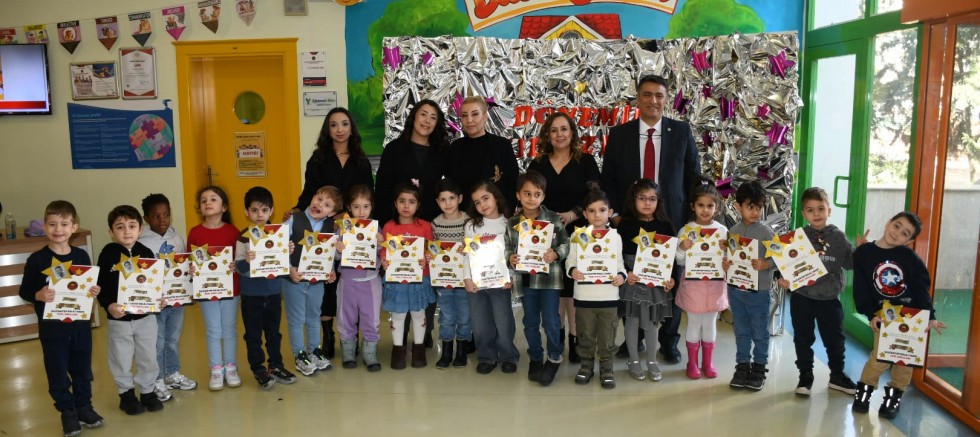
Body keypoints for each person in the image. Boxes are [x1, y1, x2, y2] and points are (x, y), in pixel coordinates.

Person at [602, 75, 701, 364]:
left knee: (670, 280)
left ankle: (669, 341)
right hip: (630, 222)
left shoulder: (681, 132)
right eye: (646, 94)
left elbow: (693, 176)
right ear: (638, 98)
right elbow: (608, 178)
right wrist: (616, 216)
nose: (653, 100)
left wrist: (691, 220)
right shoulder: (620, 134)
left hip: (670, 221)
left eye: (659, 95)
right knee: (633, 279)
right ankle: (635, 338)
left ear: (666, 99)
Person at [291, 107, 373, 358]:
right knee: (325, 280)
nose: (339, 129)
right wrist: (295, 211)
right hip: (323, 228)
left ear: (351, 128)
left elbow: (367, 194)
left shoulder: (361, 160)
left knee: (351, 283)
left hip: (352, 230)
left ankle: (352, 337)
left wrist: (356, 219)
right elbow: (309, 192)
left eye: (344, 124)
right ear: (327, 130)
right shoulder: (318, 159)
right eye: (334, 125)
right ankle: (327, 335)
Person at [19, 201, 104, 436]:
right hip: (52, 329)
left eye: (64, 224)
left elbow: (87, 285)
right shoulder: (37, 259)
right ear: (45, 227)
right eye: (53, 224)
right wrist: (38, 295)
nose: (58, 229)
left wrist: (93, 290)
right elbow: (24, 291)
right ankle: (67, 411)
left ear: (74, 227)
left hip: (80, 327)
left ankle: (84, 407)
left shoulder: (81, 255)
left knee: (82, 369)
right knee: (57, 371)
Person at [851, 211, 946, 419]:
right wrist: (871, 315)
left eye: (905, 233)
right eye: (897, 226)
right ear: (888, 223)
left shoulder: (909, 258)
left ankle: (893, 398)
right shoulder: (864, 253)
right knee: (879, 358)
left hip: (911, 317)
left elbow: (921, 288)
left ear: (909, 241)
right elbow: (861, 288)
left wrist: (930, 315)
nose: (897, 233)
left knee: (905, 362)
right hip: (884, 316)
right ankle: (864, 393)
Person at [527, 112, 601, 365]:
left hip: (579, 234)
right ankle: (556, 340)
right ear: (547, 135)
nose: (559, 134)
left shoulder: (586, 161)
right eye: (554, 130)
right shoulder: (538, 164)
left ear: (572, 133)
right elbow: (529, 196)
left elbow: (594, 197)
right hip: (546, 236)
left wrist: (573, 214)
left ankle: (575, 340)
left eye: (564, 129)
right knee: (555, 290)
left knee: (574, 288)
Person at [778, 187, 858, 397]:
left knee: (835, 339)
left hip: (829, 299)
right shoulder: (796, 238)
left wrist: (862, 250)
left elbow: (850, 263)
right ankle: (805, 376)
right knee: (803, 338)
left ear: (829, 210)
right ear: (803, 213)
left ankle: (837, 376)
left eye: (821, 208)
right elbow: (786, 267)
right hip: (802, 298)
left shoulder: (838, 237)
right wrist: (785, 279)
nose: (816, 214)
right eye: (810, 210)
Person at [96, 205, 163, 415]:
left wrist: (158, 299)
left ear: (140, 229)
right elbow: (99, 286)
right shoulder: (107, 254)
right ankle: (126, 394)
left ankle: (147, 391)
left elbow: (154, 283)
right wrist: (108, 305)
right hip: (119, 319)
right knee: (121, 357)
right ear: (111, 231)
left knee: (148, 355)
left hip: (146, 318)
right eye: (120, 227)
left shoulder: (146, 253)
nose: (127, 231)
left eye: (132, 226)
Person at [505, 170, 570, 386]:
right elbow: (507, 247)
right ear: (518, 195)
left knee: (551, 320)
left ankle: (554, 356)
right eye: (527, 193)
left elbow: (565, 243)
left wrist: (556, 254)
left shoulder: (553, 219)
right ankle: (535, 357)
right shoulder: (512, 223)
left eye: (537, 194)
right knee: (530, 321)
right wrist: (510, 257)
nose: (532, 198)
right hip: (525, 281)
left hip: (549, 280)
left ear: (543, 196)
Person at [235, 187, 298, 389]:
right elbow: (238, 268)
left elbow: (282, 265)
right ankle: (258, 369)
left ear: (271, 211)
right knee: (253, 335)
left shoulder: (278, 234)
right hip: (251, 295)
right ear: (246, 212)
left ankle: (276, 366)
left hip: (273, 293)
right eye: (254, 210)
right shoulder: (243, 237)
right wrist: (247, 260)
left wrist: (288, 251)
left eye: (264, 210)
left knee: (274, 333)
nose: (259, 214)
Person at [138, 194, 197, 403]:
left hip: (177, 299)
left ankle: (171, 373)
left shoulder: (176, 238)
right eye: (156, 216)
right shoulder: (141, 242)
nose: (162, 220)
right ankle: (156, 379)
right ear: (146, 218)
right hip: (156, 302)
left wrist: (190, 275)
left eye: (166, 215)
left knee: (172, 338)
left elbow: (184, 265)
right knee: (157, 341)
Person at [618, 179, 676, 382]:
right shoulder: (625, 225)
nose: (647, 203)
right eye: (642, 198)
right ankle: (633, 360)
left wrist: (671, 278)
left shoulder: (665, 226)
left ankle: (651, 360)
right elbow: (617, 256)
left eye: (652, 198)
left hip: (655, 282)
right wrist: (626, 272)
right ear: (633, 199)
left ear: (658, 201)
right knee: (632, 320)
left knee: (652, 322)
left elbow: (670, 259)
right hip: (632, 280)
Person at [566, 190, 625, 388]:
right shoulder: (578, 235)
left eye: (602, 210)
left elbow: (619, 263)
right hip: (584, 297)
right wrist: (572, 271)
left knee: (607, 336)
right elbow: (570, 261)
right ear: (585, 214)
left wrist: (621, 276)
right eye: (591, 211)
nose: (597, 214)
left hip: (609, 297)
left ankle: (607, 368)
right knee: (585, 335)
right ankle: (586, 366)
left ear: (610, 212)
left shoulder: (615, 237)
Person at [187, 186, 242, 391]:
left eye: (213, 199)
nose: (207, 203)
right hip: (206, 290)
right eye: (203, 200)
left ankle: (231, 367)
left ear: (224, 207)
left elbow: (240, 259)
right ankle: (216, 369)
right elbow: (189, 261)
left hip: (230, 289)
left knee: (229, 329)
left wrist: (236, 265)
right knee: (213, 330)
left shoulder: (233, 232)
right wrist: (191, 269)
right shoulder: (195, 232)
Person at [722, 181, 775, 390]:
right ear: (738, 206)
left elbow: (781, 258)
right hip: (736, 291)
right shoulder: (733, 231)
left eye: (758, 207)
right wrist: (725, 264)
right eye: (750, 207)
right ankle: (742, 366)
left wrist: (766, 264)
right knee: (741, 331)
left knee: (760, 332)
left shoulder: (767, 233)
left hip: (759, 292)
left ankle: (759, 367)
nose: (755, 212)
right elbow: (728, 257)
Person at [674, 179, 729, 381]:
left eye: (710, 206)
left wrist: (726, 254)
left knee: (710, 322)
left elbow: (728, 260)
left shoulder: (722, 231)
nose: (705, 210)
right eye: (701, 205)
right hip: (693, 285)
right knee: (694, 322)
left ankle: (708, 363)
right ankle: (692, 363)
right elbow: (679, 260)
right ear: (693, 206)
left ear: (717, 207)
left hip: (715, 284)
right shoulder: (686, 230)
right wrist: (682, 248)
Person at [283, 186, 340, 376]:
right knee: (297, 319)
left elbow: (329, 254)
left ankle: (314, 350)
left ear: (331, 213)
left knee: (314, 316)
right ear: (312, 197)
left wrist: (331, 270)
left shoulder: (330, 227)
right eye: (318, 198)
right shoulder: (294, 219)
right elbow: (279, 248)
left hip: (316, 282)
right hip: (294, 279)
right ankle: (300, 355)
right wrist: (289, 269)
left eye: (326, 205)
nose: (319, 205)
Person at [463, 180, 518, 375]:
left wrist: (511, 276)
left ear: (496, 197)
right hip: (477, 284)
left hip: (501, 284)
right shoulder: (471, 226)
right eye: (477, 202)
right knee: (480, 323)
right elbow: (467, 254)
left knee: (504, 322)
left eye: (485, 198)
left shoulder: (508, 223)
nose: (482, 204)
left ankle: (508, 356)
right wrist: (467, 278)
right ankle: (487, 356)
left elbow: (513, 254)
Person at [380, 183, 437, 369]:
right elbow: (384, 250)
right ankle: (398, 350)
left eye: (411, 202)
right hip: (397, 280)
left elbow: (431, 250)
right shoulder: (389, 227)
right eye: (402, 201)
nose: (406, 206)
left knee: (419, 314)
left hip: (419, 279)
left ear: (418, 205)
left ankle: (419, 349)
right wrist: (384, 260)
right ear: (395, 203)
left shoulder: (425, 226)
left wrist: (426, 258)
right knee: (398, 314)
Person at [336, 185, 384, 372]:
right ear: (349, 207)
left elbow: (383, 255)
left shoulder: (376, 229)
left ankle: (370, 353)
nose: (361, 211)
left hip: (370, 282)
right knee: (345, 317)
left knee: (371, 319)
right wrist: (338, 250)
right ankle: (348, 350)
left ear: (372, 206)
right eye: (356, 207)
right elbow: (334, 256)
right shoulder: (343, 229)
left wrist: (381, 244)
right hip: (347, 282)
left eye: (366, 206)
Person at [445, 96, 519, 211]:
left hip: (498, 215)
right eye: (464, 115)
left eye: (475, 114)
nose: (469, 120)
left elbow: (512, 183)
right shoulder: (455, 148)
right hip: (464, 216)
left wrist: (506, 213)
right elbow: (451, 187)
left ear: (485, 117)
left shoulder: (502, 145)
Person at [431, 178, 472, 369]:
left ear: (460, 198)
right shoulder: (435, 224)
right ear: (437, 201)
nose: (447, 203)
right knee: (446, 316)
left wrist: (467, 248)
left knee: (464, 316)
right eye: (442, 199)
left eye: (451, 198)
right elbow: (432, 248)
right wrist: (430, 254)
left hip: (464, 279)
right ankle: (446, 352)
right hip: (444, 280)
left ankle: (461, 351)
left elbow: (474, 247)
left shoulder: (469, 222)